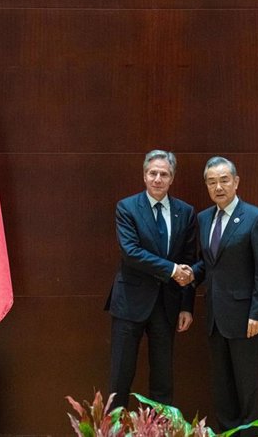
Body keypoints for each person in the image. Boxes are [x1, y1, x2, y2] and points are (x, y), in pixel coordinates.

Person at [188, 156, 258, 436]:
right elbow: (209, 264)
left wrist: (257, 313)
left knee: (246, 389)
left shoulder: (255, 218)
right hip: (215, 317)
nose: (218, 187)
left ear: (236, 182)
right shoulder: (202, 218)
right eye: (212, 182)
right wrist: (189, 273)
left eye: (224, 180)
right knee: (223, 390)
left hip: (245, 320)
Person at [105, 149, 197, 410]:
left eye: (164, 174)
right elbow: (131, 252)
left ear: (172, 178)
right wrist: (171, 269)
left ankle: (161, 430)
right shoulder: (127, 207)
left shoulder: (186, 212)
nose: (158, 178)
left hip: (166, 306)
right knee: (120, 377)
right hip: (129, 303)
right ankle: (114, 430)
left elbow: (189, 261)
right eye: (152, 173)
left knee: (163, 380)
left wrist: (186, 306)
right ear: (144, 176)